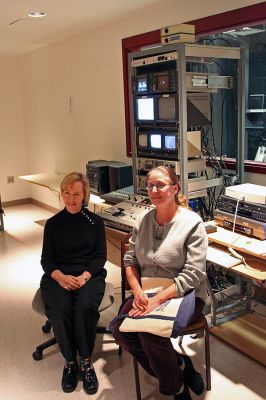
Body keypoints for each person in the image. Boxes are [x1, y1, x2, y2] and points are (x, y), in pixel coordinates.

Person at [112, 166, 208, 400]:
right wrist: (137, 291)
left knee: (150, 334)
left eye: (161, 184)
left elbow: (193, 274)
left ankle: (173, 387)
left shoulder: (193, 224)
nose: (154, 190)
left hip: (185, 292)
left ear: (175, 188)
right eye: (150, 185)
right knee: (119, 330)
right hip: (147, 289)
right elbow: (130, 260)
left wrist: (157, 300)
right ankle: (179, 367)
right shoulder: (143, 221)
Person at [40, 172, 107, 394]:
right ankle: (70, 362)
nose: (71, 198)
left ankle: (86, 362)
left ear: (85, 195)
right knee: (60, 310)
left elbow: (100, 257)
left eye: (76, 194)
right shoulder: (52, 224)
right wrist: (59, 276)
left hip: (89, 274)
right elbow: (46, 260)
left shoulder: (95, 222)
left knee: (85, 308)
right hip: (59, 275)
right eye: (67, 193)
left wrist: (85, 276)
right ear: (61, 194)